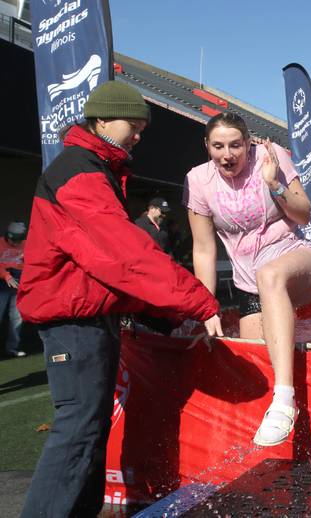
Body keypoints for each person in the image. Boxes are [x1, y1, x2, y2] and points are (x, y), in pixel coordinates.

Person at [16, 81, 220, 518]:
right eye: (134, 124)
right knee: (78, 433)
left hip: (88, 318)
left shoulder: (92, 168)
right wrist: (198, 303)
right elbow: (123, 255)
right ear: (103, 120)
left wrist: (168, 315)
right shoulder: (80, 169)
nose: (139, 135)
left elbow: (112, 265)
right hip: (75, 323)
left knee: (87, 434)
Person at [184, 112, 311, 447]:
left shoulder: (270, 156)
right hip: (250, 288)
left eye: (235, 145)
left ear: (248, 144)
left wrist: (274, 184)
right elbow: (203, 249)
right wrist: (205, 308)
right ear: (207, 146)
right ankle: (279, 445)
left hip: (295, 258)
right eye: (218, 146)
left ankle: (285, 401)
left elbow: (304, 213)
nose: (227, 154)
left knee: (270, 274)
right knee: (260, 368)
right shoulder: (199, 180)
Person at [0, 221, 26, 357]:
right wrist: (6, 275)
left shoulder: (26, 244)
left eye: (19, 239)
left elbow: (28, 264)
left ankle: (12, 348)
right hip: (1, 284)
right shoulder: (0, 244)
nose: (16, 243)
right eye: (13, 239)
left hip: (17, 284)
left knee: (17, 318)